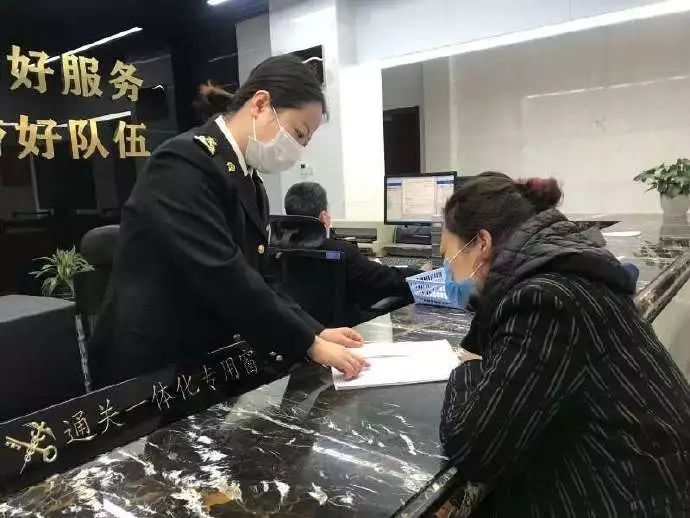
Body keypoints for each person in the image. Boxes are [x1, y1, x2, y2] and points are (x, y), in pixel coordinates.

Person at [88, 56, 366, 388]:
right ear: (260, 104)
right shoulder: (181, 164)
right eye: (298, 133)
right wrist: (310, 344)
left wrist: (315, 330)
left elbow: (262, 279)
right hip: (149, 364)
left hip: (200, 356)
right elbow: (223, 273)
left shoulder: (250, 181)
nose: (297, 150)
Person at [439, 172, 690, 516]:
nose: (447, 270)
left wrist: (467, 367)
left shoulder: (546, 300)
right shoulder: (565, 269)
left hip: (632, 498)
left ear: (482, 243)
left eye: (449, 256)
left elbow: (475, 448)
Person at [284, 181, 419, 325]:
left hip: (296, 332)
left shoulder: (275, 252)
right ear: (323, 216)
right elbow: (387, 280)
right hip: (341, 333)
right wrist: (421, 275)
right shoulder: (342, 252)